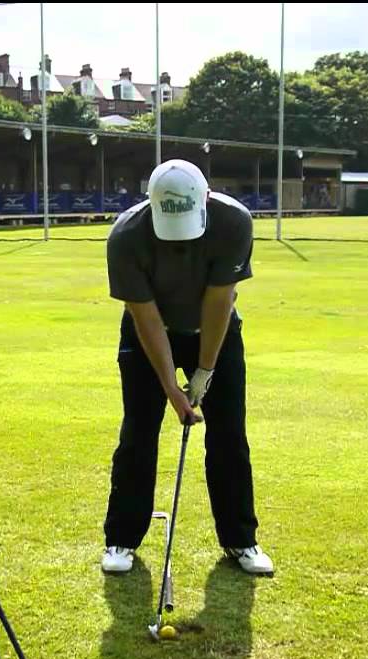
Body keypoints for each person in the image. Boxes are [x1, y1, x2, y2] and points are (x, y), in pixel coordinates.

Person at [100, 158, 273, 576]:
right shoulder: (126, 236)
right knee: (138, 433)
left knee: (230, 433)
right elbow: (146, 318)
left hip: (214, 332)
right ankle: (121, 539)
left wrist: (205, 371)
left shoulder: (233, 222)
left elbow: (219, 302)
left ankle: (240, 540)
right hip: (149, 333)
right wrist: (173, 391)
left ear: (206, 199)